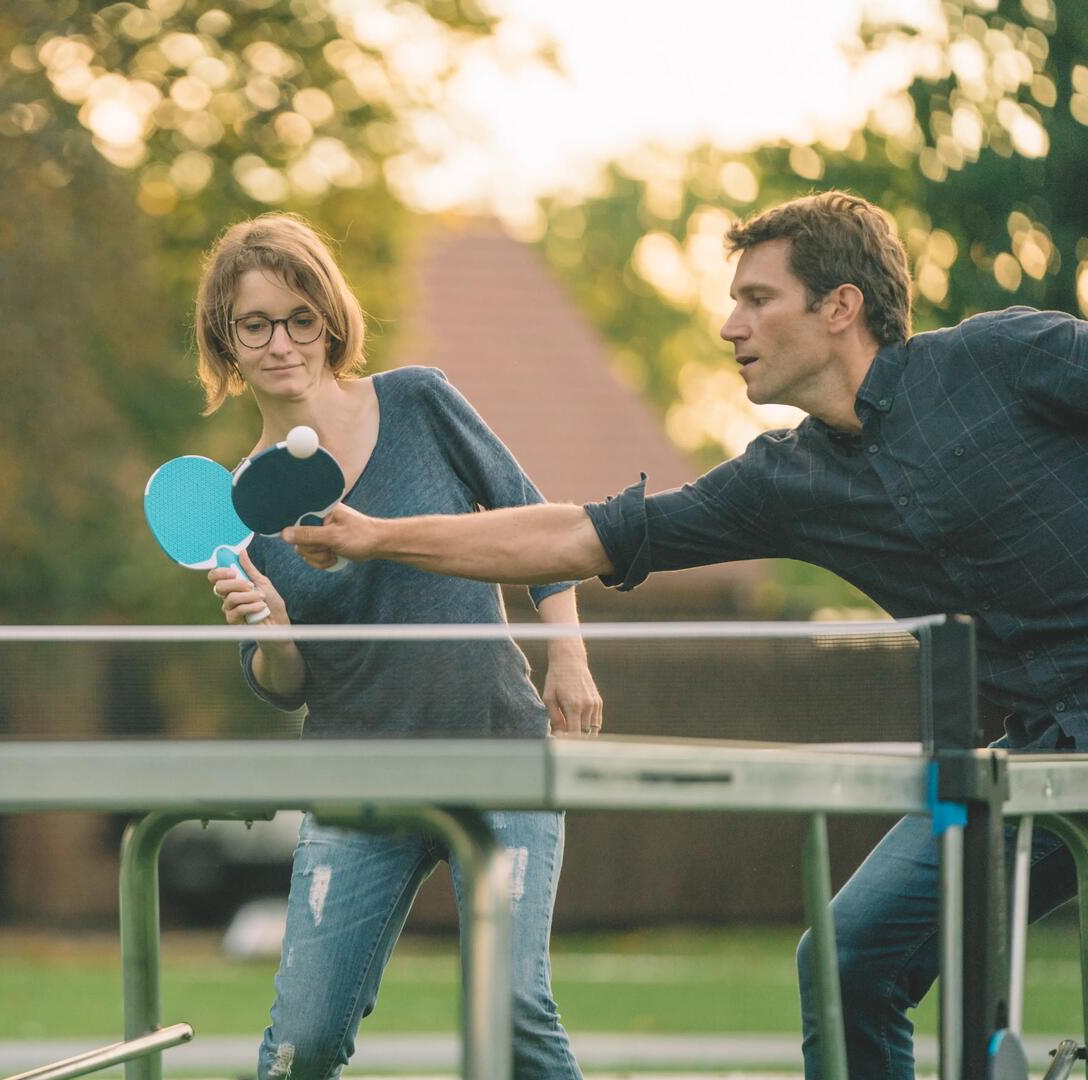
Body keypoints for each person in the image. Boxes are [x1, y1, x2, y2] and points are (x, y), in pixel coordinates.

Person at [281, 190, 1087, 1079]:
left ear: (840, 307)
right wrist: (378, 535)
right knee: (848, 961)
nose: (728, 323)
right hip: (1037, 758)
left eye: (757, 298)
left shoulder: (1003, 356)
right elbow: (577, 535)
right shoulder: (785, 482)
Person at [194, 212, 601, 1080]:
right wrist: (271, 629)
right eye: (253, 325)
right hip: (358, 784)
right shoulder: (236, 506)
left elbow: (544, 529)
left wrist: (568, 653)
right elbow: (287, 684)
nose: (281, 343)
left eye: (299, 317)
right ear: (226, 342)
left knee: (516, 1013)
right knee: (302, 1044)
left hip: (499, 754)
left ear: (331, 320)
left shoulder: (418, 401)